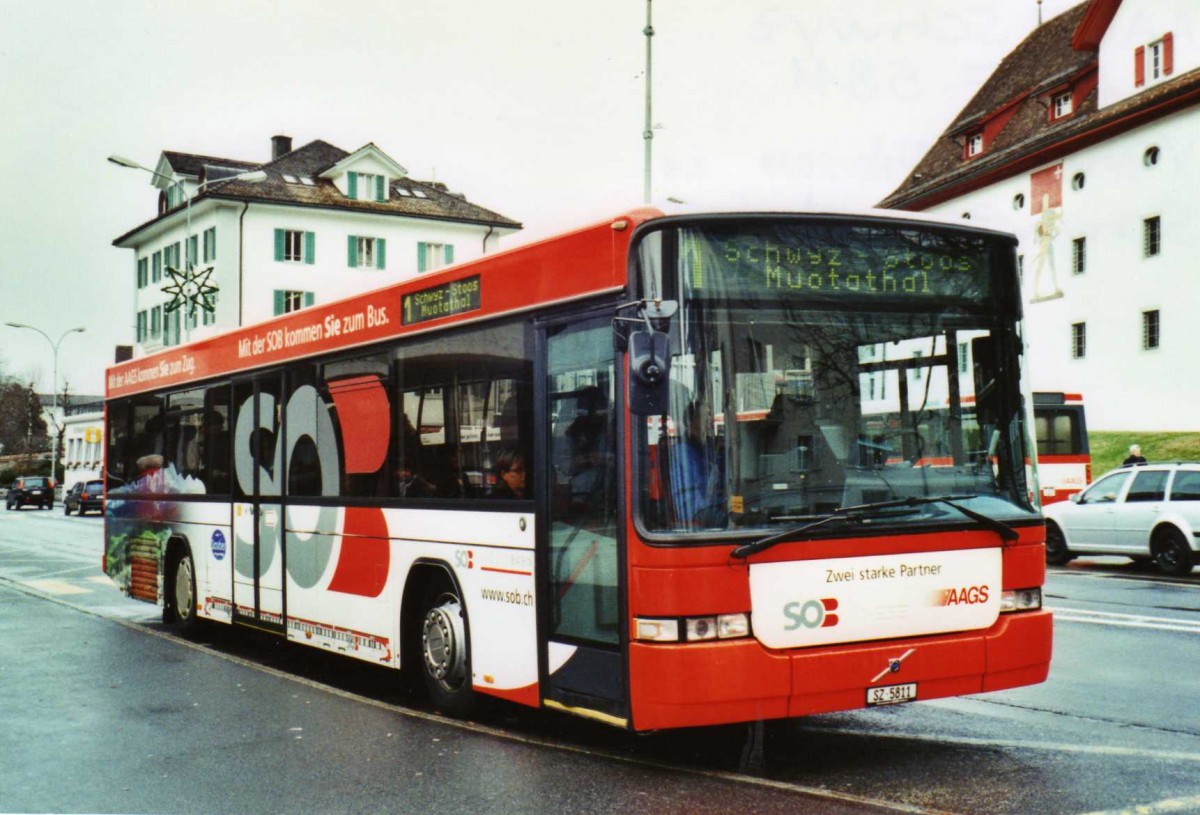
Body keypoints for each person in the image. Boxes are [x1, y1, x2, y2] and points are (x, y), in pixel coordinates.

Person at [670, 402, 724, 526]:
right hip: (695, 507)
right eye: (706, 416)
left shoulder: (708, 446)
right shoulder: (683, 450)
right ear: (693, 421)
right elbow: (698, 491)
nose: (710, 422)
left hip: (710, 504)